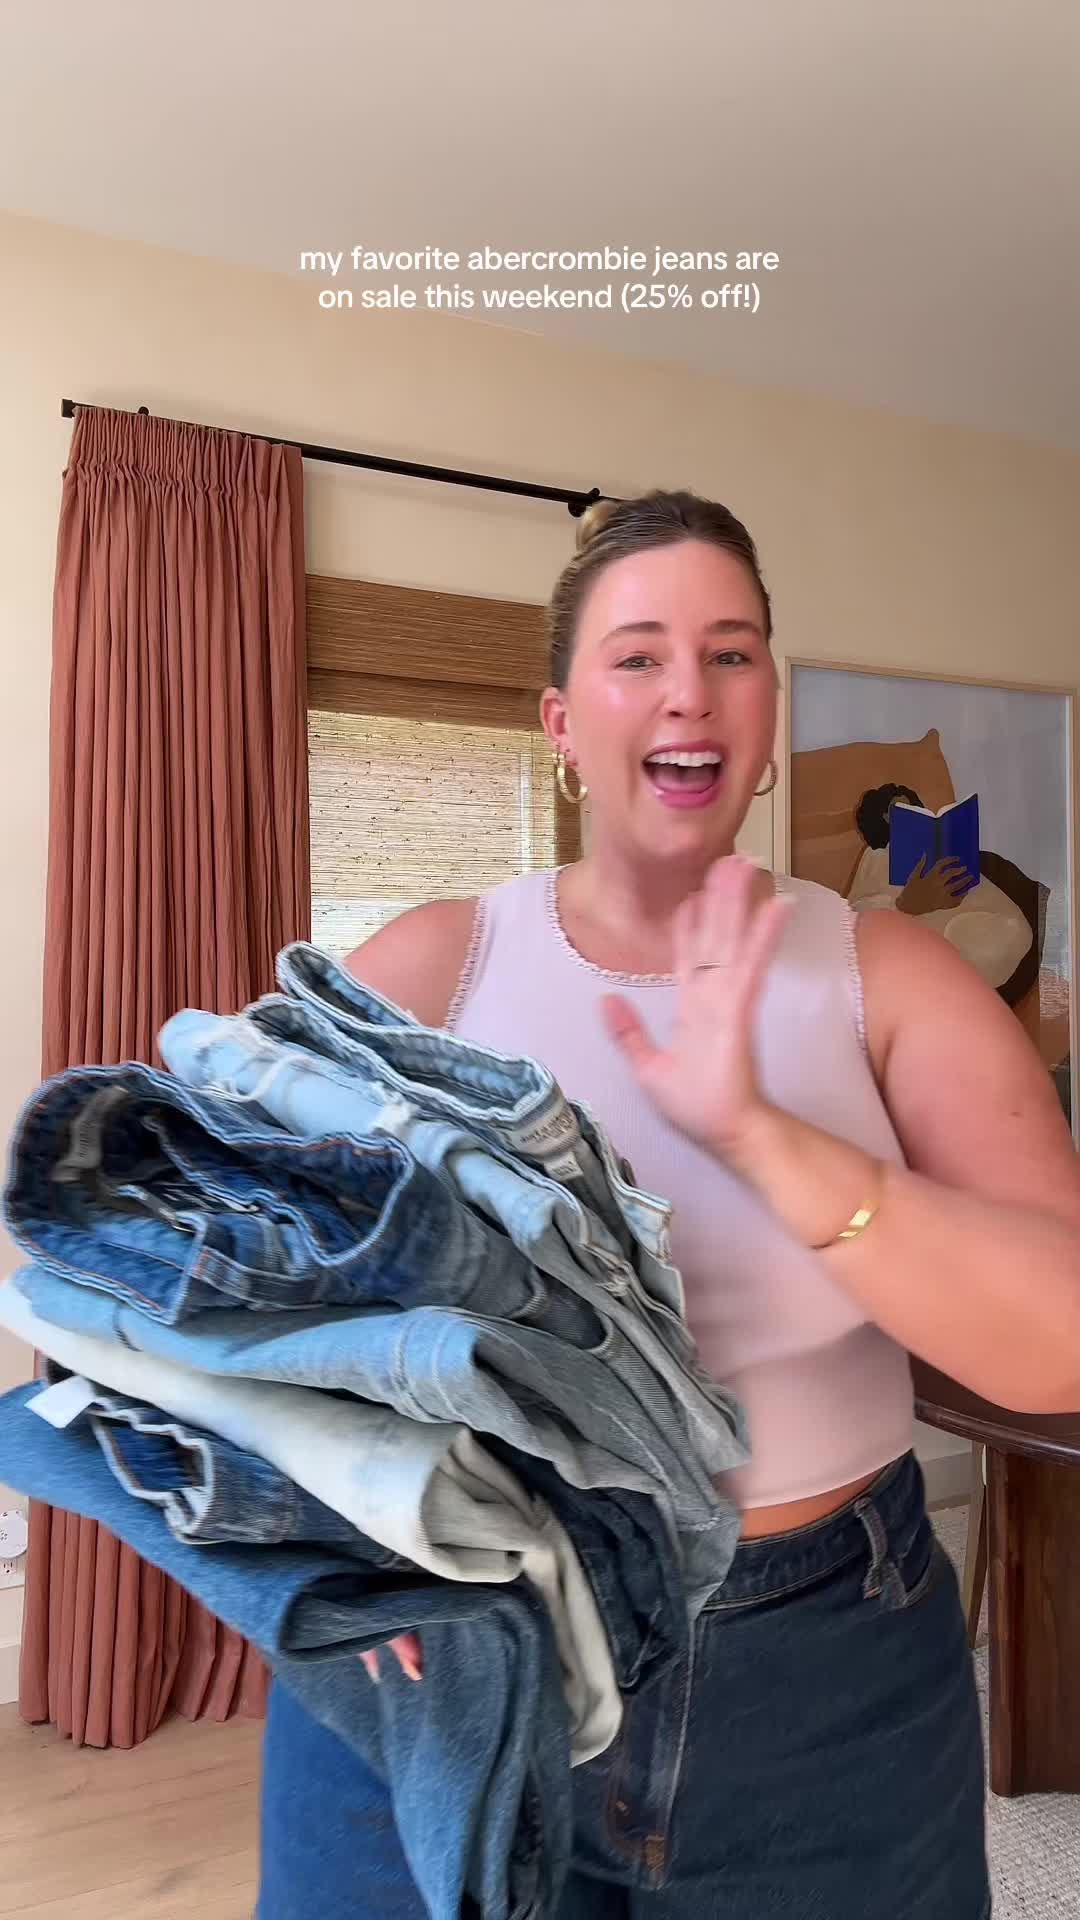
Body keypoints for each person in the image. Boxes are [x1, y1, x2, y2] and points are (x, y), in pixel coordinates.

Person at [257, 490, 1080, 1918]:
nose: (688, 689)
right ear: (561, 724)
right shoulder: (426, 972)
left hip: (821, 1671)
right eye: (637, 655)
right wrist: (333, 1529)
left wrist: (769, 1139)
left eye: (731, 652)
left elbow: (1058, 1343)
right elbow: (227, 1299)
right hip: (458, 1645)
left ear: (766, 713)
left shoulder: (894, 979)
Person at [847, 780, 1035, 992]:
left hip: (992, 937)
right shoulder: (877, 857)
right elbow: (858, 916)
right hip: (927, 957)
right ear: (882, 816)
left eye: (910, 809)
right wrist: (904, 906)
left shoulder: (938, 851)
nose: (902, 816)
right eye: (895, 810)